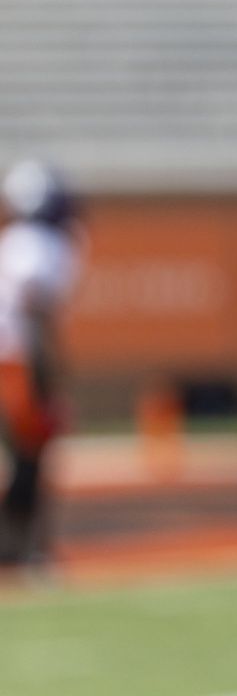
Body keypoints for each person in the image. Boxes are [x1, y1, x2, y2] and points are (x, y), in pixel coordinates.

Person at [0, 160, 82, 568]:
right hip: (17, 363)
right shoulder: (44, 245)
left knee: (22, 455)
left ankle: (17, 545)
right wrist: (52, 374)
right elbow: (35, 313)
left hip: (11, 358)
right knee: (32, 451)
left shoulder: (15, 239)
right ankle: (26, 547)